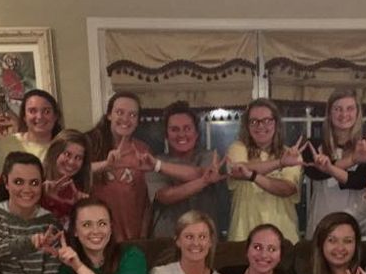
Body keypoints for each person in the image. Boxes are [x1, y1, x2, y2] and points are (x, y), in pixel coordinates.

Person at [302, 88, 366, 238]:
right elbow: (315, 172)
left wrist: (329, 167)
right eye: (338, 109)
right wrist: (352, 160)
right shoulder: (314, 145)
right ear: (329, 113)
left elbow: (359, 181)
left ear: (358, 113)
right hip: (321, 224)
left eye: (350, 109)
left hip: (359, 225)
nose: (344, 114)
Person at [146, 100, 228, 237]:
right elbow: (165, 196)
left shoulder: (210, 157)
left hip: (205, 239)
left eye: (187, 128)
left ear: (196, 133)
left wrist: (159, 166)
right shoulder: (154, 161)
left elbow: (199, 173)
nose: (181, 134)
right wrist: (204, 181)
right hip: (168, 238)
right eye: (174, 129)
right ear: (166, 135)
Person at [226, 98, 303, 242]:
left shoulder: (290, 154)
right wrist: (280, 163)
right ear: (247, 126)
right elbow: (237, 170)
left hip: (283, 236)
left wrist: (252, 176)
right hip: (243, 235)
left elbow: (287, 189)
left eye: (267, 120)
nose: (260, 126)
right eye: (254, 121)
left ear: (276, 124)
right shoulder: (237, 148)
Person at [87, 91, 155, 241]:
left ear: (137, 121)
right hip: (96, 237)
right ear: (109, 115)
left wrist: (143, 236)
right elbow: (73, 173)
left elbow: (146, 201)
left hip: (132, 237)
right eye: (119, 112)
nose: (125, 119)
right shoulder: (90, 144)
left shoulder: (143, 150)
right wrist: (105, 165)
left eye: (132, 115)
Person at [0, 89, 62, 167]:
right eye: (32, 111)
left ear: (55, 116)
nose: (39, 117)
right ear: (24, 117)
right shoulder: (5, 145)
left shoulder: (64, 149)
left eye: (46, 111)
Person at [39, 129, 92, 227]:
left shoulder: (79, 192)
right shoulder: (36, 181)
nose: (71, 162)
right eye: (67, 154)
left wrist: (82, 208)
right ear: (54, 153)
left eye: (78, 158)